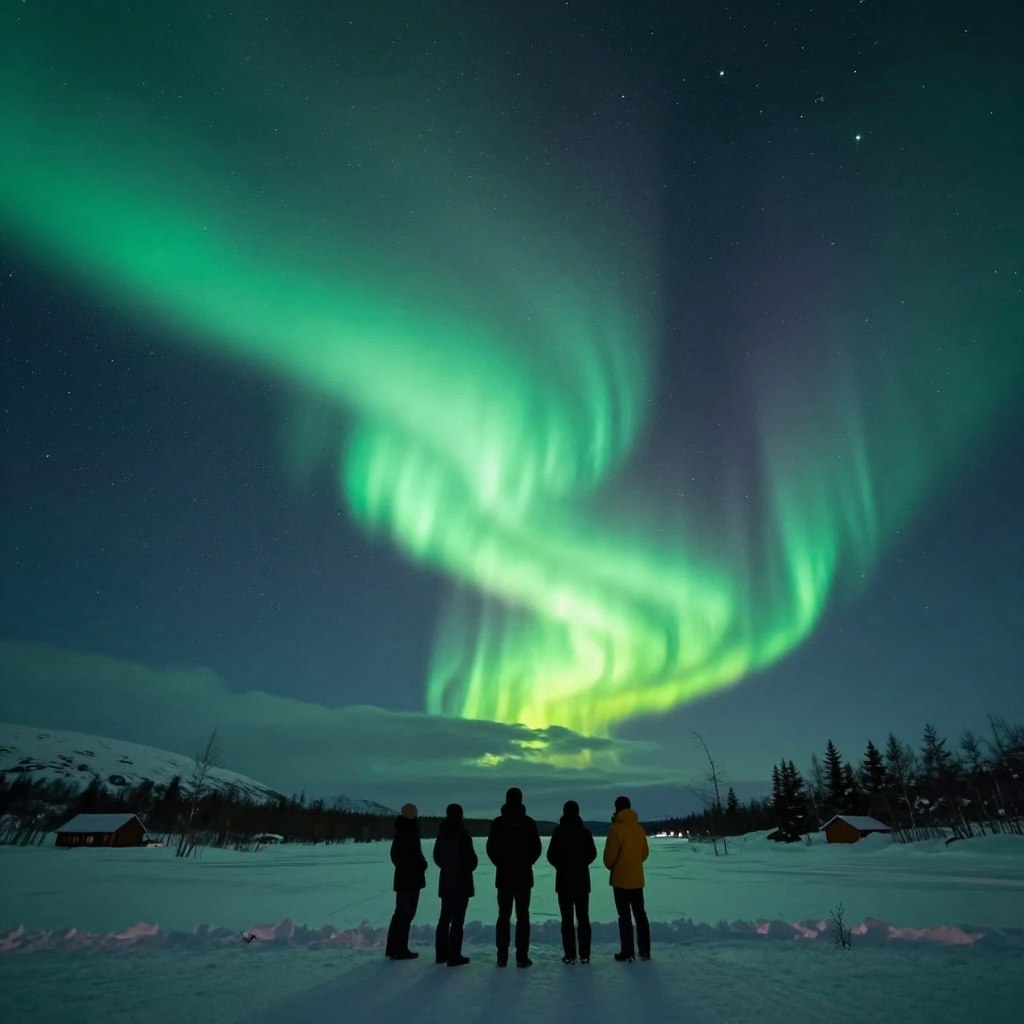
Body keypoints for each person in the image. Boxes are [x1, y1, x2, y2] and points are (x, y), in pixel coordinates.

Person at [486, 786, 542, 967]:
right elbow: (536, 848)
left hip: (503, 876)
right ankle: (521, 957)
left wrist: (500, 863)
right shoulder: (528, 823)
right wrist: (526, 863)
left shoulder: (498, 823)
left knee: (503, 915)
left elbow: (491, 848)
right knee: (522, 916)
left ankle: (502, 956)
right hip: (523, 876)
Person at [545, 798, 597, 964]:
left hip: (563, 881)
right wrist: (581, 864)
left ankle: (570, 955)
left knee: (566, 919)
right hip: (582, 880)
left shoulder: (558, 832)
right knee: (583, 918)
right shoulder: (584, 832)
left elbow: (550, 855)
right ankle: (585, 955)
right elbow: (592, 854)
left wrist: (561, 866)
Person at [602, 794, 651, 962]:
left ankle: (627, 951)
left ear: (616, 809)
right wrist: (634, 863)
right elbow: (644, 853)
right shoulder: (639, 829)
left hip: (620, 880)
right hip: (637, 879)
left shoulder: (615, 829)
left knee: (624, 917)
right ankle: (645, 950)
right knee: (640, 915)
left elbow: (609, 859)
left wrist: (617, 866)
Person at [433, 802, 478, 967]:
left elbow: (437, 857)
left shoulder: (442, 833)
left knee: (444, 918)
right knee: (457, 920)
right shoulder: (462, 834)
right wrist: (467, 866)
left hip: (446, 881)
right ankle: (453, 955)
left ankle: (441, 953)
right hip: (461, 882)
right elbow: (469, 859)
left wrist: (448, 868)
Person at [385, 802, 428, 960]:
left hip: (406, 879)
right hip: (409, 880)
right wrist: (419, 866)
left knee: (401, 913)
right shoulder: (408, 832)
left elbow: (399, 857)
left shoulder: (404, 831)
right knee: (405, 914)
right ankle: (399, 948)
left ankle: (393, 948)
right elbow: (405, 857)